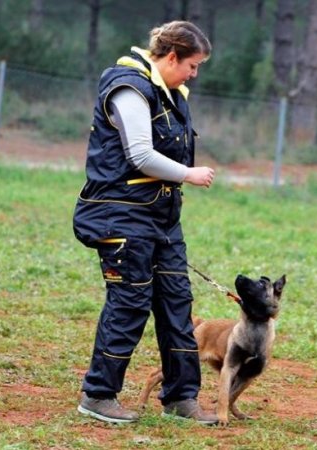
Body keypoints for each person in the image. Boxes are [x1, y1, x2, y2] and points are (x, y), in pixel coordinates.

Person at [73, 20, 217, 425]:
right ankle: (98, 395)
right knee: (130, 303)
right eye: (192, 64)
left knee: (176, 304)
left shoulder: (170, 94)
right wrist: (189, 174)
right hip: (119, 214)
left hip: (160, 217)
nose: (194, 74)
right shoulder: (128, 88)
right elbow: (139, 154)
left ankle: (181, 397)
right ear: (171, 56)